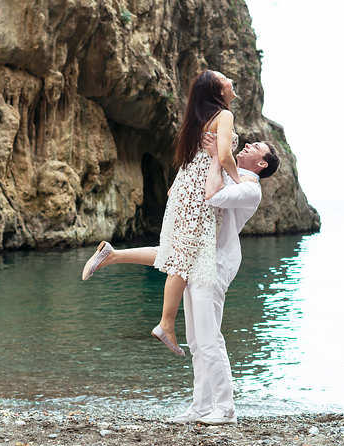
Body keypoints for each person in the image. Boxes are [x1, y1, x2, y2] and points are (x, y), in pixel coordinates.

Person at [83, 132, 281, 424]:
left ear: (262, 164)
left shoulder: (250, 188)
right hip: (200, 258)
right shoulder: (234, 175)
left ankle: (225, 409)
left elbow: (212, 197)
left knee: (210, 337)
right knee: (196, 340)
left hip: (215, 265)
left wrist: (216, 157)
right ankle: (200, 406)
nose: (249, 145)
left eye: (256, 148)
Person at [83, 70, 240, 356]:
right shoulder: (224, 116)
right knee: (183, 259)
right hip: (198, 195)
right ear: (217, 91)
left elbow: (192, 162)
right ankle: (166, 324)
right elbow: (226, 156)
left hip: (183, 191)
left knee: (175, 253)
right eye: (225, 79)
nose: (231, 82)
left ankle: (113, 255)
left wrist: (177, 189)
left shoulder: (197, 121)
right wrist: (240, 186)